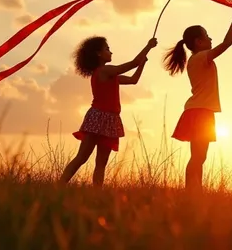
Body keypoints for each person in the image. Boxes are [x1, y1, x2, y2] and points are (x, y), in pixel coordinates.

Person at [59, 36, 158, 186]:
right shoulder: (105, 71)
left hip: (110, 119)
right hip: (98, 117)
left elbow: (133, 80)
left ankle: (96, 193)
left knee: (100, 163)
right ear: (99, 54)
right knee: (83, 157)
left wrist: (142, 64)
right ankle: (59, 184)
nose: (110, 52)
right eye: (107, 49)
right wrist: (148, 47)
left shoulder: (111, 74)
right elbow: (133, 63)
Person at [163, 11, 232, 192]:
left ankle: (194, 190)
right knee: (198, 157)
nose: (210, 38)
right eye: (207, 36)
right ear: (199, 42)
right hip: (200, 112)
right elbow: (227, 44)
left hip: (199, 111)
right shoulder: (201, 57)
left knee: (199, 156)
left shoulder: (196, 59)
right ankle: (192, 191)